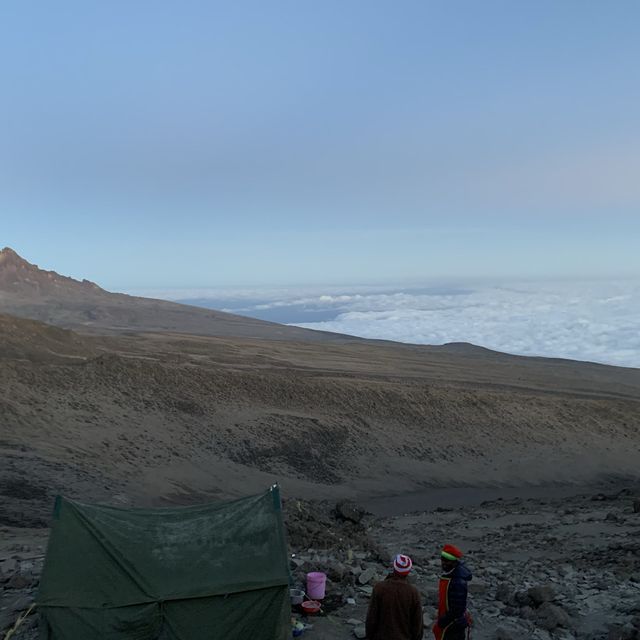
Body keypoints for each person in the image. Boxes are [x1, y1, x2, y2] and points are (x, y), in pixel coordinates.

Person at [365, 553, 423, 640]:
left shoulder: (379, 588)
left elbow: (371, 619)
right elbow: (417, 624)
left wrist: (369, 637)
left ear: (394, 567)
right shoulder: (413, 593)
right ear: (408, 571)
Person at [432, 544, 472, 640]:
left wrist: (442, 622)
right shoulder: (451, 574)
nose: (443, 563)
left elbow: (457, 610)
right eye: (442, 560)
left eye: (447, 561)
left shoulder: (457, 582)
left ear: (454, 562)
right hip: (451, 623)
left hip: (453, 625)